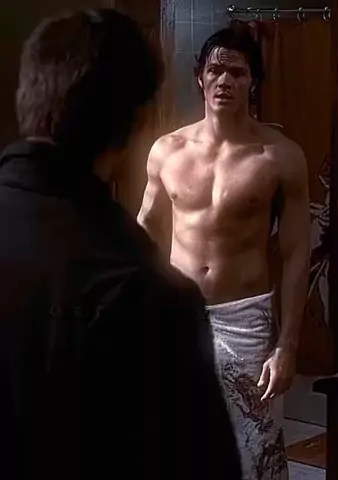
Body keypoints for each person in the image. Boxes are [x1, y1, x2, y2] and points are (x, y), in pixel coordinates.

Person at [0, 10, 241, 480]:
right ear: (139, 121)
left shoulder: (277, 155)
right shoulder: (148, 296)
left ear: (28, 96)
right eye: (214, 70)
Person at [138, 26, 311, 479]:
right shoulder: (167, 151)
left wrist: (288, 345)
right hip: (178, 315)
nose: (225, 80)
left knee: (254, 450)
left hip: (245, 318)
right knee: (176, 442)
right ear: (200, 77)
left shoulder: (279, 156)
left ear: (253, 82)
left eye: (237, 72)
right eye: (216, 70)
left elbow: (296, 252)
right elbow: (143, 234)